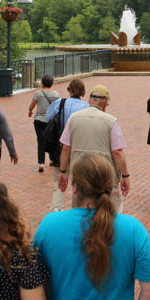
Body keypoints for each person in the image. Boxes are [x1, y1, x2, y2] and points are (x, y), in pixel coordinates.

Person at [33, 155, 150, 300]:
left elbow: (34, 281)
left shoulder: (49, 226)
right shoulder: (133, 229)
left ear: (75, 188)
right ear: (110, 186)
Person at [57, 84, 131, 212]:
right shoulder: (111, 121)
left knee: (80, 211)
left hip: (80, 174)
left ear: (89, 100)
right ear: (105, 102)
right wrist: (125, 175)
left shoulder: (73, 118)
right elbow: (117, 152)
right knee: (111, 212)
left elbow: (66, 148)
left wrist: (63, 172)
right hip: (105, 176)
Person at [44, 79, 88, 211]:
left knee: (58, 179)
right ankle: (77, 209)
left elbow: (48, 118)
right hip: (78, 147)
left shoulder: (60, 103)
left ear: (69, 90)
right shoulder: (86, 107)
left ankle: (57, 208)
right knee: (79, 181)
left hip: (61, 146)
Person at [27, 74, 59, 173]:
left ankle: (41, 163)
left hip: (39, 120)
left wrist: (30, 111)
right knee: (51, 140)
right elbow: (57, 108)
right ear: (52, 83)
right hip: (50, 121)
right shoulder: (56, 95)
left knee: (41, 141)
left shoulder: (38, 93)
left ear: (42, 83)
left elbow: (31, 106)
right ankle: (52, 160)